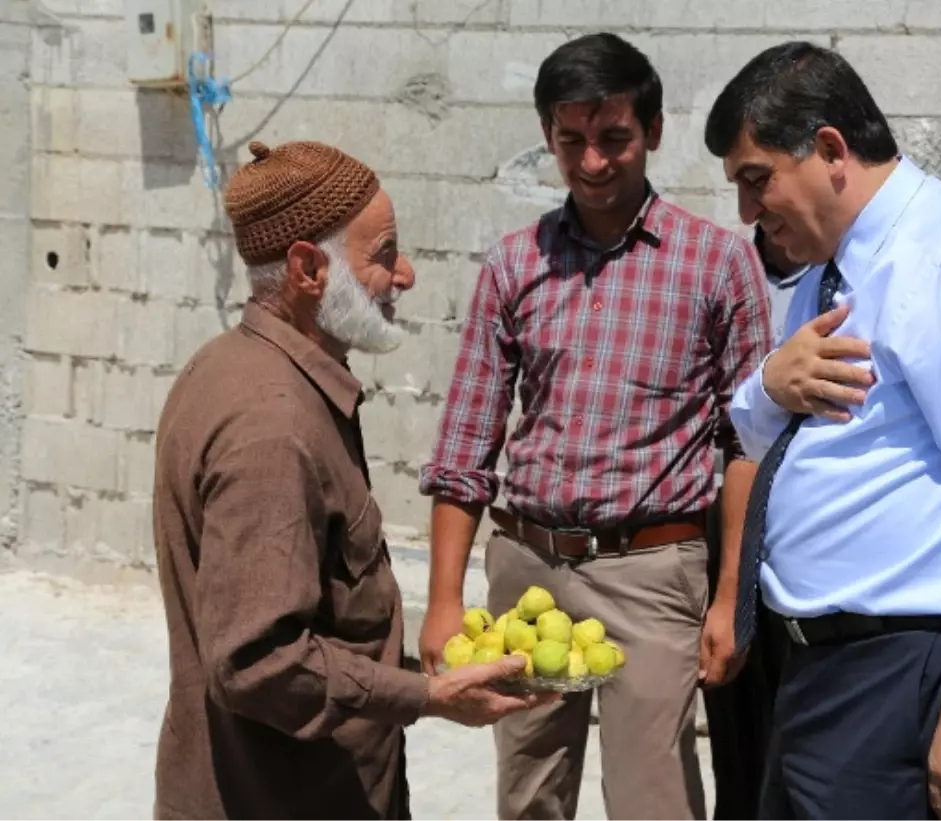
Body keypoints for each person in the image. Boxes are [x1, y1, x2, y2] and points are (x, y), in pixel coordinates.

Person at [704, 42, 941, 821]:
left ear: (830, 150)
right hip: (818, 667)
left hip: (899, 668)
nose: (746, 212)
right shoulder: (833, 270)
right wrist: (769, 385)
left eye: (755, 179)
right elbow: (782, 441)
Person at [417, 33, 774, 821]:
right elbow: (465, 446)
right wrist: (444, 599)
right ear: (548, 135)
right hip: (527, 572)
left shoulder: (717, 265)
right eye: (570, 140)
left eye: (613, 138)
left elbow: (749, 444)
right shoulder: (515, 265)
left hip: (654, 572)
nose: (592, 161)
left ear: (652, 130)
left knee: (654, 800)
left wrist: (728, 601)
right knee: (529, 796)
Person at [150, 139, 552, 821]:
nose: (406, 274)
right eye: (383, 253)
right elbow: (256, 662)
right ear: (309, 267)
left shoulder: (232, 366)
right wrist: (427, 696)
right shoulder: (273, 427)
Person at [701, 223, 805, 821]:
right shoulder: (728, 271)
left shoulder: (853, 279)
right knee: (739, 736)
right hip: (734, 521)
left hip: (809, 535)